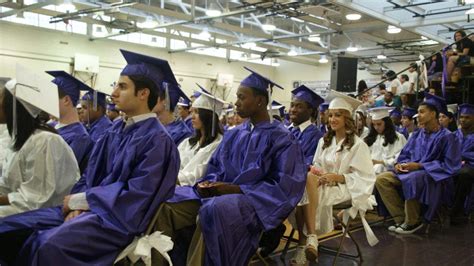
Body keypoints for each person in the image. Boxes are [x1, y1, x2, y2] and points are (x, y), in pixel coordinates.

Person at [0, 50, 180, 265]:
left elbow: (136, 197)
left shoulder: (157, 141)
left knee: (47, 244)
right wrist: (76, 205)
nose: (113, 93)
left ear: (143, 94)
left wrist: (83, 203)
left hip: (115, 221)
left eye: (122, 87)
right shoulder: (113, 132)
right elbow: (88, 175)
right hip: (91, 210)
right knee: (10, 228)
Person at [151, 67, 306, 266]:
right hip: (220, 195)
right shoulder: (235, 134)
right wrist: (209, 184)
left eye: (242, 97)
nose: (236, 102)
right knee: (166, 203)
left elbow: (284, 186)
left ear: (260, 101)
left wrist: (235, 189)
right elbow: (216, 167)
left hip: (253, 203)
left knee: (214, 210)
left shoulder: (283, 139)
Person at [298, 90, 378, 263]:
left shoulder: (358, 145)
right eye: (331, 115)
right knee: (303, 186)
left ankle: (306, 242)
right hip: (321, 184)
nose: (332, 119)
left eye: (338, 116)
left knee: (303, 196)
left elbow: (365, 177)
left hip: (345, 188)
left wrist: (338, 177)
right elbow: (317, 165)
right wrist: (319, 174)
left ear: (347, 119)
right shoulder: (324, 141)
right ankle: (309, 241)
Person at [376, 93, 461, 234]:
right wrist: (400, 164)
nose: (418, 115)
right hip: (411, 172)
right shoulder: (417, 134)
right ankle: (400, 218)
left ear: (433, 114)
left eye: (422, 112)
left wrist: (420, 166)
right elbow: (405, 155)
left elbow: (450, 165)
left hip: (434, 177)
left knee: (413, 178)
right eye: (418, 112)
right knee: (382, 179)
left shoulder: (448, 137)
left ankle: (412, 222)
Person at [0, 68, 79, 218]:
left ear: (14, 107)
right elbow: (8, 184)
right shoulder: (20, 139)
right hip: (23, 208)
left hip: (43, 215)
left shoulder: (44, 141)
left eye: (0, 98)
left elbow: (36, 200)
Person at [46, 71, 94, 173]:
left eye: (50, 98)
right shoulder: (50, 126)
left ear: (66, 100)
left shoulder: (79, 137)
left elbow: (61, 174)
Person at [177, 92, 224, 186]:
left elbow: (199, 174)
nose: (192, 117)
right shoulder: (188, 142)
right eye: (192, 112)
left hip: (192, 190)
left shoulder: (218, 144)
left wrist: (173, 179)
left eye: (197, 112)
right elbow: (175, 162)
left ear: (208, 116)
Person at [450, 104, 474, 224]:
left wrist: (463, 156)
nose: (463, 120)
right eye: (462, 117)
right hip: (455, 165)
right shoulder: (454, 135)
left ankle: (456, 210)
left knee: (464, 173)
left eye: (467, 117)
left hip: (470, 167)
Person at [365, 107, 407, 174]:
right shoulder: (371, 138)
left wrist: (381, 162)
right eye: (373, 124)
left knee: (378, 167)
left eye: (379, 124)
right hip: (370, 169)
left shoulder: (398, 137)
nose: (376, 127)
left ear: (387, 123)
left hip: (389, 171)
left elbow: (401, 157)